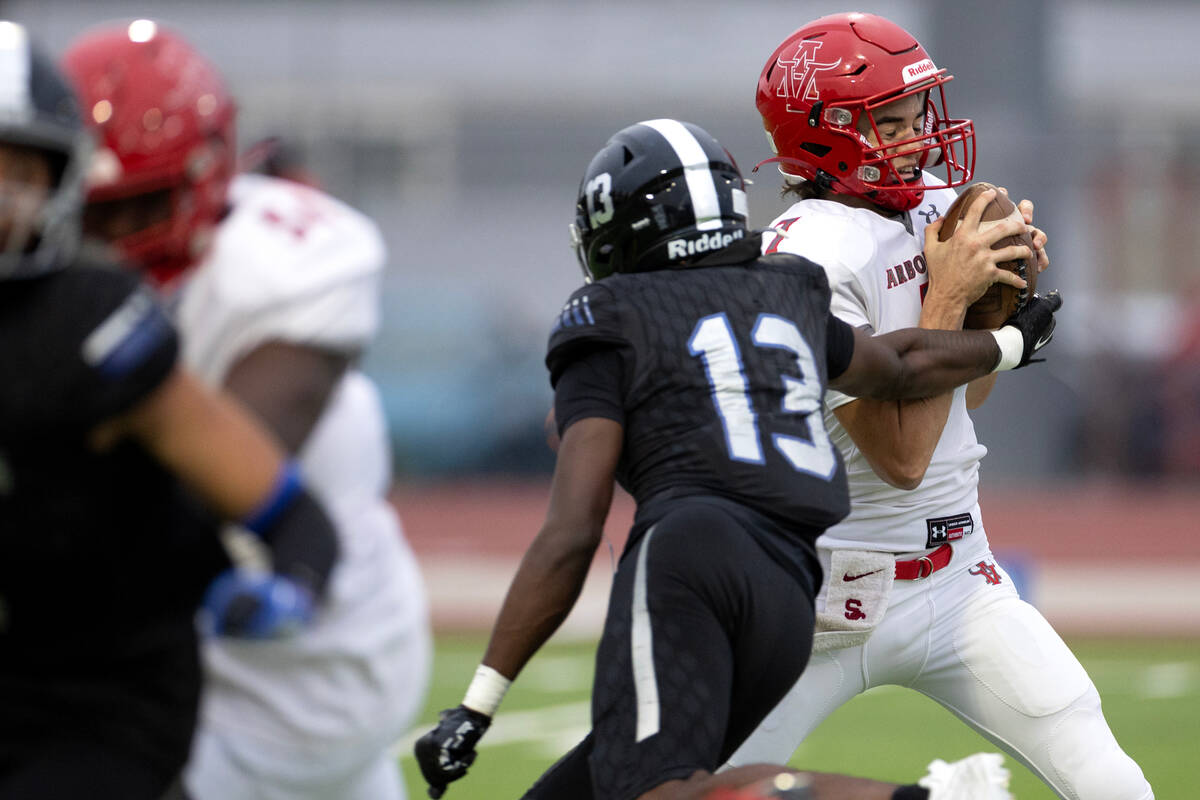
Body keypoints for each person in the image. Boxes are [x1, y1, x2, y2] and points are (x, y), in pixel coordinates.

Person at [413, 117, 1059, 800]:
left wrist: (477, 703)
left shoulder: (607, 314)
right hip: (790, 582)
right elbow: (899, 363)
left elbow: (572, 530)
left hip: (690, 556)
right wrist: (1010, 344)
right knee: (628, 785)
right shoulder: (785, 287)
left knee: (655, 793)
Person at [725, 12, 1154, 800]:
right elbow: (900, 460)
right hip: (825, 604)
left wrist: (993, 310)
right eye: (889, 121)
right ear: (821, 134)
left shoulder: (931, 209)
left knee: (1112, 783)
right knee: (698, 788)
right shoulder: (806, 259)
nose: (919, 137)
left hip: (958, 577)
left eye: (919, 113)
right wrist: (954, 298)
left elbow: (967, 398)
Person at [62, 19, 431, 800]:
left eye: (141, 208)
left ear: (205, 177)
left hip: (307, 674)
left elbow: (202, 491)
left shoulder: (282, 277)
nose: (116, 241)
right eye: (96, 214)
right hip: (190, 664)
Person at [0, 21, 340, 800]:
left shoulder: (90, 327)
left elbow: (290, 514)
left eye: (14, 172)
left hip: (99, 701)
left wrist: (287, 584)